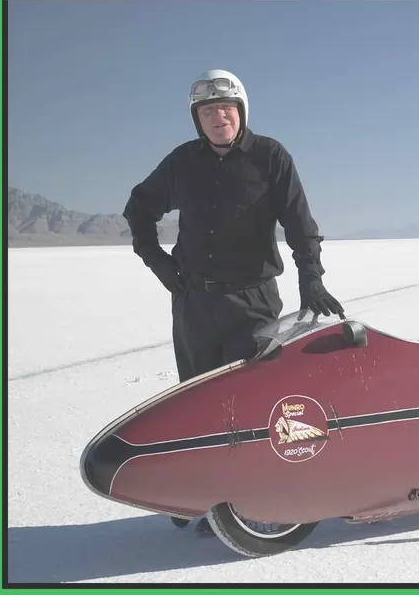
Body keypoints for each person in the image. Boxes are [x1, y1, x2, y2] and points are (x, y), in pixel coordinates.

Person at [122, 68, 344, 535]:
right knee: (198, 404)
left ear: (241, 112)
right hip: (195, 306)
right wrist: (159, 264)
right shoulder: (183, 162)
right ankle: (201, 502)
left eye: (225, 108)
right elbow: (138, 207)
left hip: (253, 302)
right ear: (196, 119)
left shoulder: (270, 156)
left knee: (252, 403)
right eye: (207, 111)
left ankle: (260, 501)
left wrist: (311, 278)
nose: (217, 116)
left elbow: (300, 223)